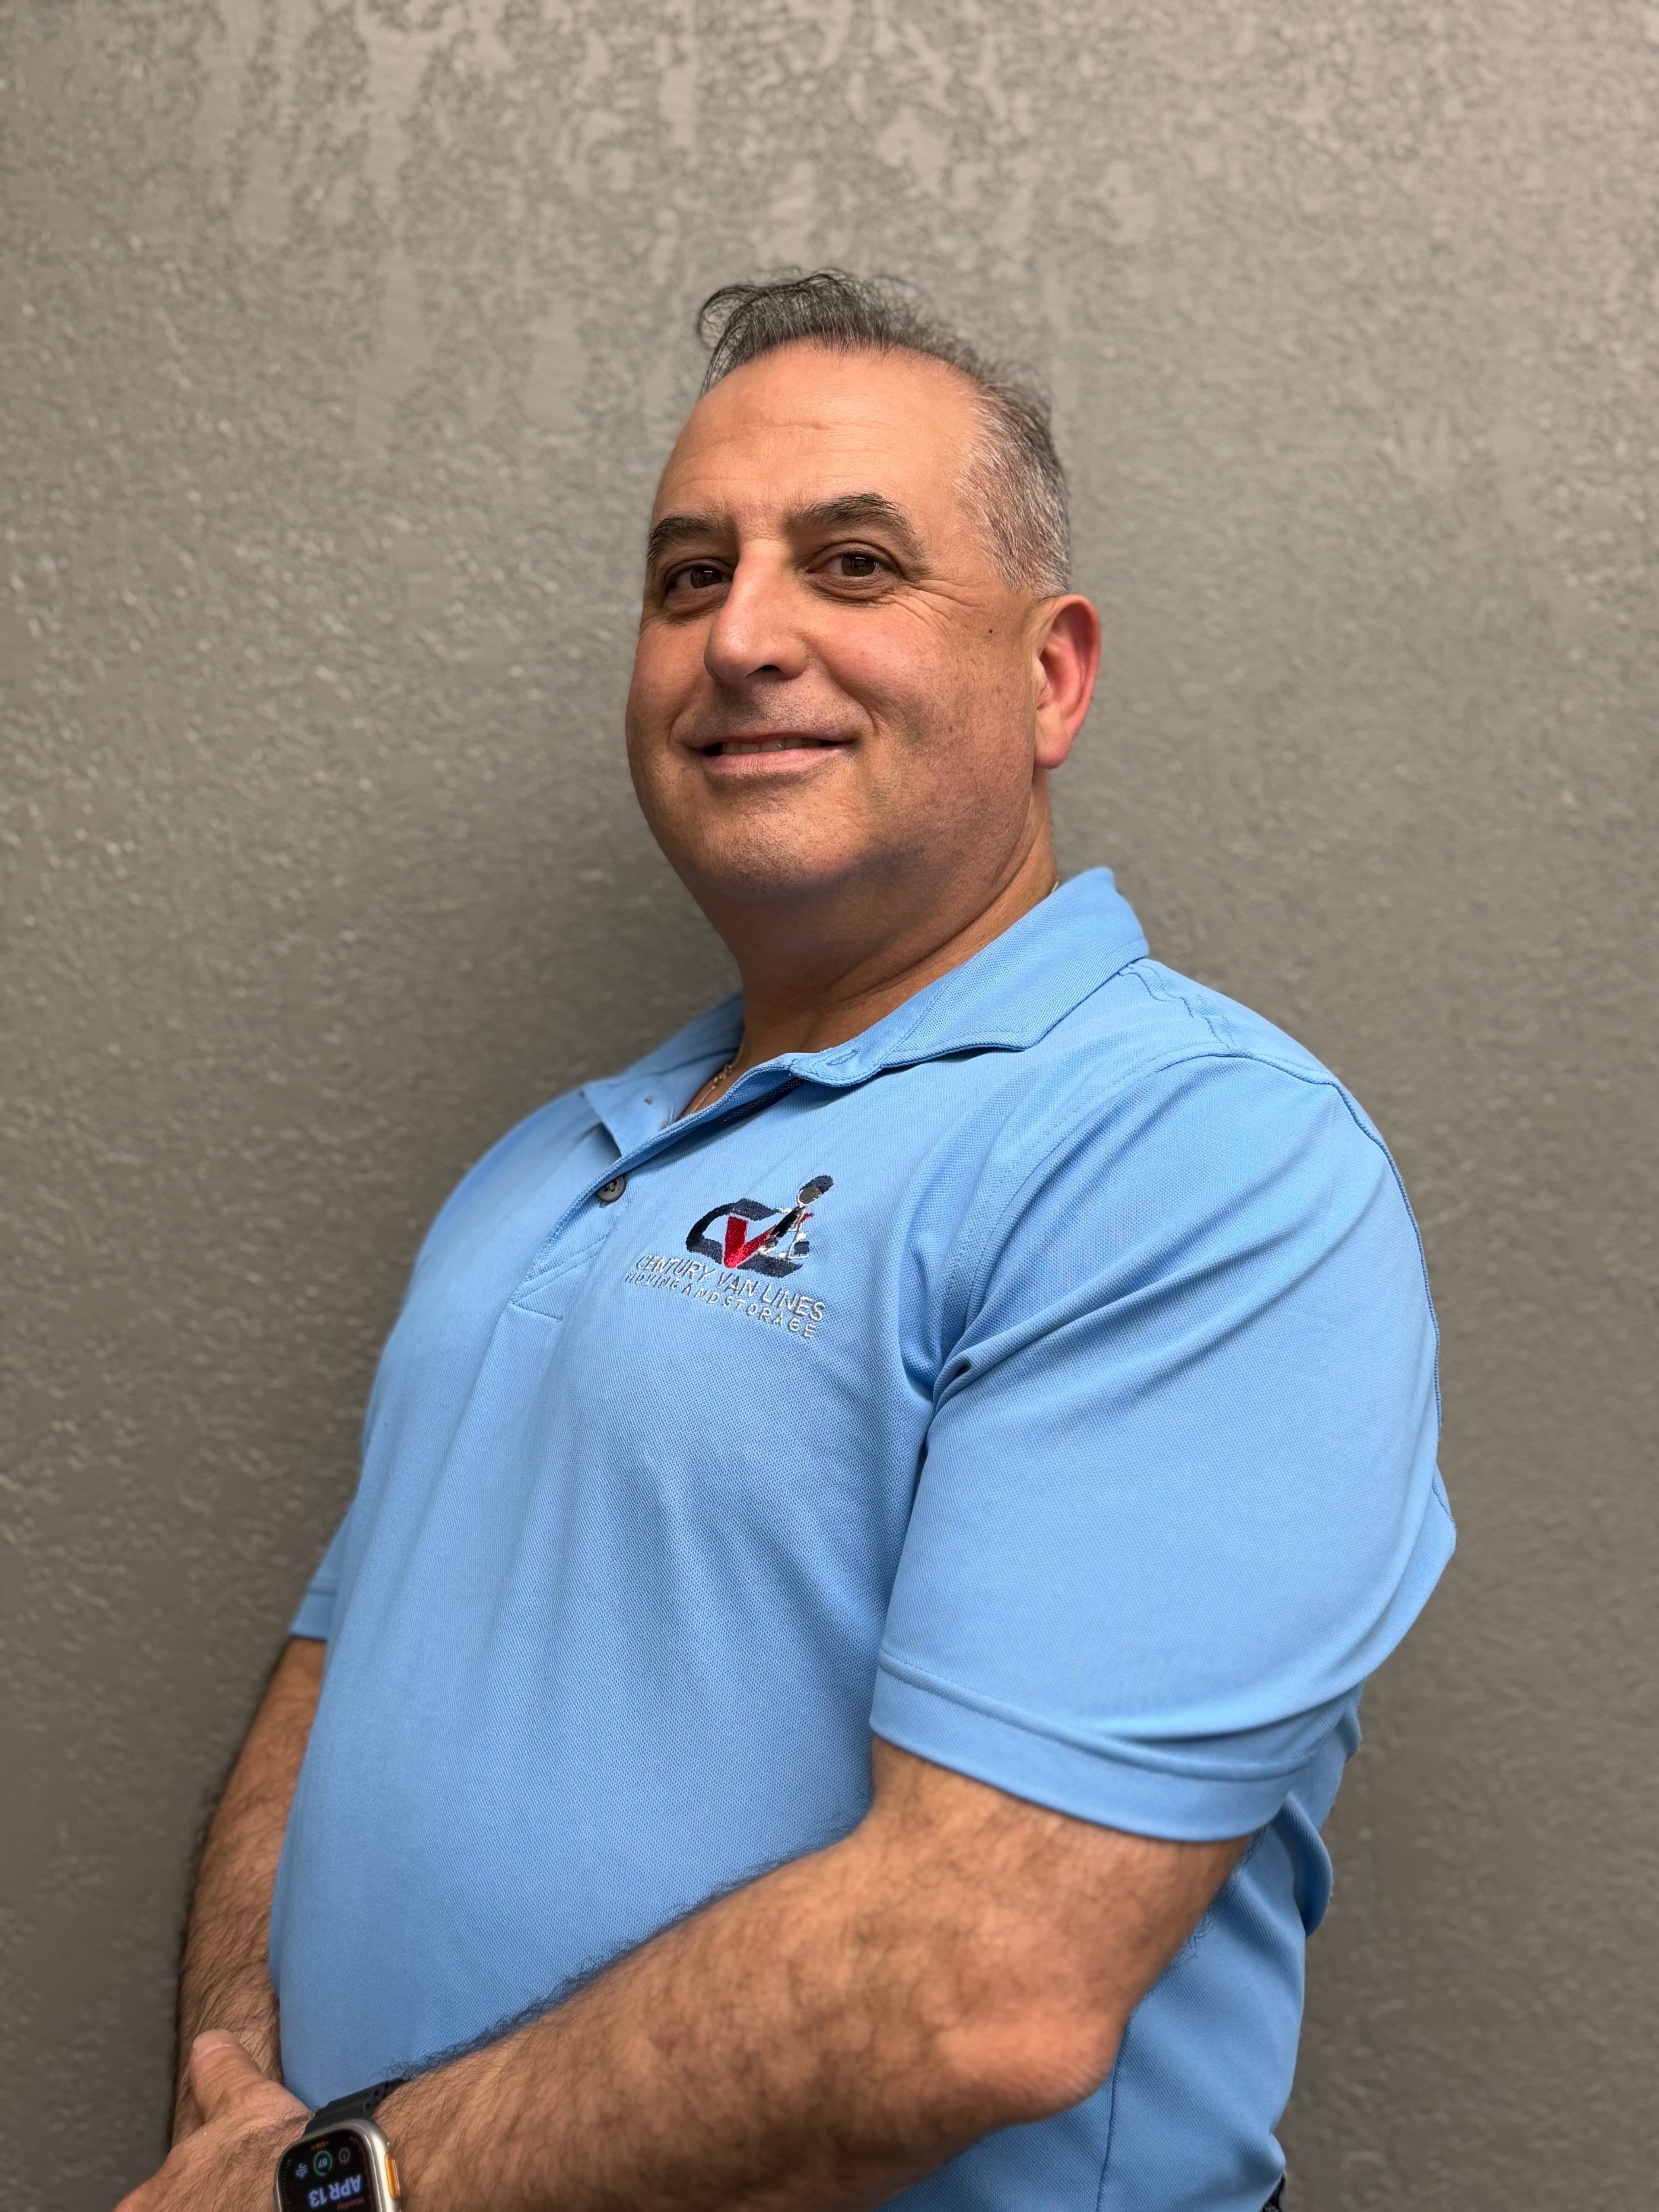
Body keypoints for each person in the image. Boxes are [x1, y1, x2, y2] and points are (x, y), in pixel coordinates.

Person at [121, 271, 1453, 2212]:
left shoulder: (1192, 1156)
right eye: (687, 578)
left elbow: (977, 1985)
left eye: (851, 563)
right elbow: (344, 1664)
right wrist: (245, 2097)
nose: (745, 637)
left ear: (1052, 673)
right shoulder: (541, 1165)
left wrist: (347, 2181)